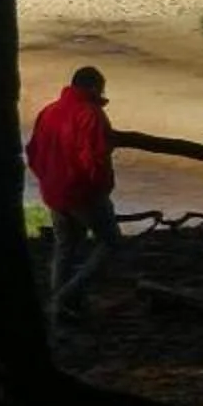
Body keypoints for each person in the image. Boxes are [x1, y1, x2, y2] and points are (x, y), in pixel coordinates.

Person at [28, 65, 124, 330]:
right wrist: (102, 188)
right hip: (84, 193)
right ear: (93, 87)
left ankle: (63, 306)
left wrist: (47, 180)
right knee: (111, 243)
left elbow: (33, 151)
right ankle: (64, 298)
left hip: (54, 192)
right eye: (101, 89)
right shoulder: (91, 115)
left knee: (65, 246)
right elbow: (96, 159)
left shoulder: (48, 112)